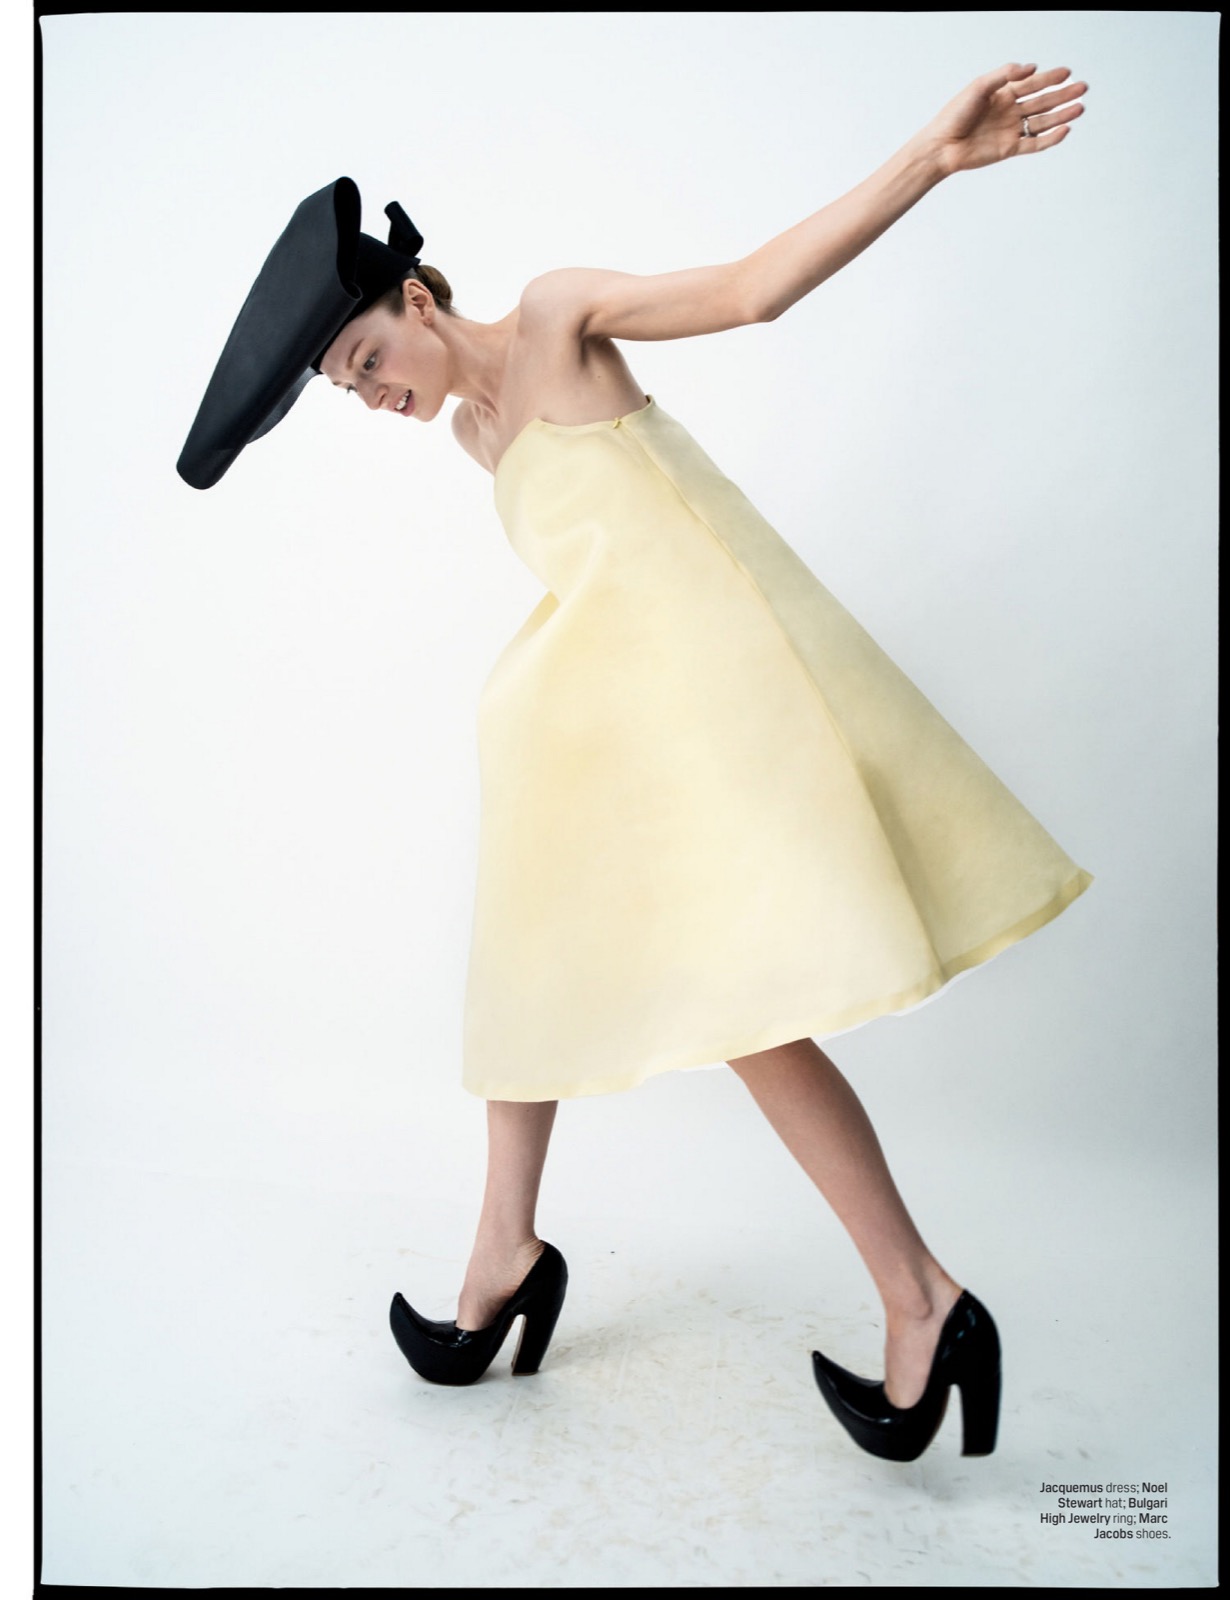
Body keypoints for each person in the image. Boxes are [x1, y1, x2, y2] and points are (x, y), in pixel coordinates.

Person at [178, 62, 1090, 1462]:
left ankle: (921, 1300)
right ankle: (507, 1253)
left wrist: (933, 156)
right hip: (614, 723)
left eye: (364, 362)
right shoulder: (475, 434)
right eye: (346, 391)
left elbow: (753, 290)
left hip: (714, 708)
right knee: (529, 953)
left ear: (415, 298)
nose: (370, 396)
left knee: (747, 1012)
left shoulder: (556, 316)